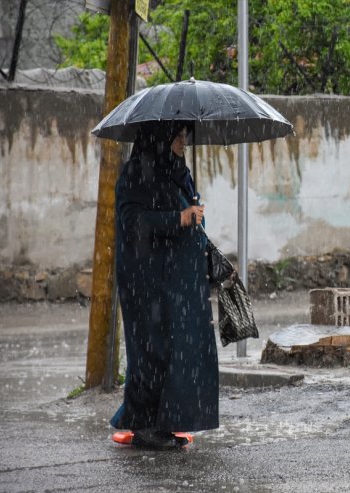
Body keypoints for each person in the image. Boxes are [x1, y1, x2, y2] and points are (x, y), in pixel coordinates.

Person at [110, 121, 219, 449]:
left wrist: (195, 218)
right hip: (147, 279)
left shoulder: (177, 171)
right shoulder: (135, 173)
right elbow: (132, 222)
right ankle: (145, 427)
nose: (183, 142)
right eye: (177, 136)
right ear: (159, 138)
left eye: (185, 135)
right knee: (151, 351)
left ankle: (168, 421)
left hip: (177, 279)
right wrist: (179, 218)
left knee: (178, 350)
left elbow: (187, 214)